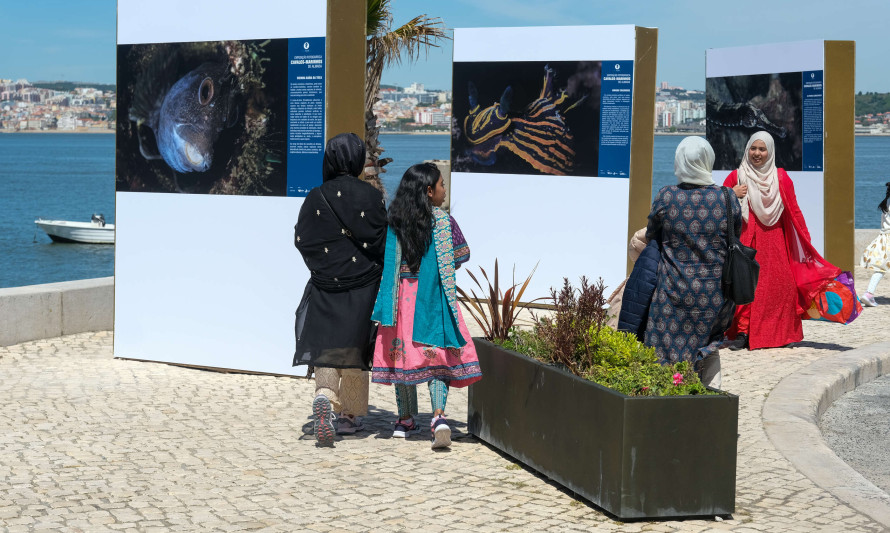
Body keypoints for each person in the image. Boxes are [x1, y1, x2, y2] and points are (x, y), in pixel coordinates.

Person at [371, 162, 481, 449]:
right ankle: (439, 417)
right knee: (438, 359)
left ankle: (405, 419)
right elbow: (461, 256)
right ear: (429, 190)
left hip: (400, 301)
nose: (445, 190)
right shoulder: (444, 223)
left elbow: (387, 261)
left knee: (402, 358)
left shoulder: (395, 222)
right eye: (441, 185)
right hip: (433, 298)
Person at [293, 133, 387, 446]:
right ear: (358, 159)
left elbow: (303, 240)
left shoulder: (315, 196)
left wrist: (323, 268)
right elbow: (380, 241)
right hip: (363, 285)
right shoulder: (370, 197)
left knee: (328, 345)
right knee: (356, 348)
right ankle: (349, 416)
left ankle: (324, 395)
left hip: (326, 283)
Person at [723, 131, 840, 350]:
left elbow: (794, 212)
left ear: (770, 152)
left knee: (779, 288)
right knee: (745, 285)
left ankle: (779, 334)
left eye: (762, 149)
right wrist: (730, 193)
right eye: (753, 148)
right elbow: (719, 206)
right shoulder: (736, 177)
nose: (757, 153)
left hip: (774, 241)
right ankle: (742, 333)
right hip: (746, 240)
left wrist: (805, 242)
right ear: (747, 149)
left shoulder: (781, 178)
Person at [644, 136, 740, 388]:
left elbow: (652, 232)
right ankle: (713, 405)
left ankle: (668, 402)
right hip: (716, 295)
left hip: (673, 293)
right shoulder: (728, 199)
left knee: (665, 353)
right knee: (709, 347)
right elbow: (735, 235)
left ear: (680, 162)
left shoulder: (667, 196)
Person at [859, 181, 890, 306]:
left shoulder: (886, 202)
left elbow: (883, 223)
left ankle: (869, 294)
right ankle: (868, 294)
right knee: (881, 269)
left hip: (884, 238)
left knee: (880, 269)